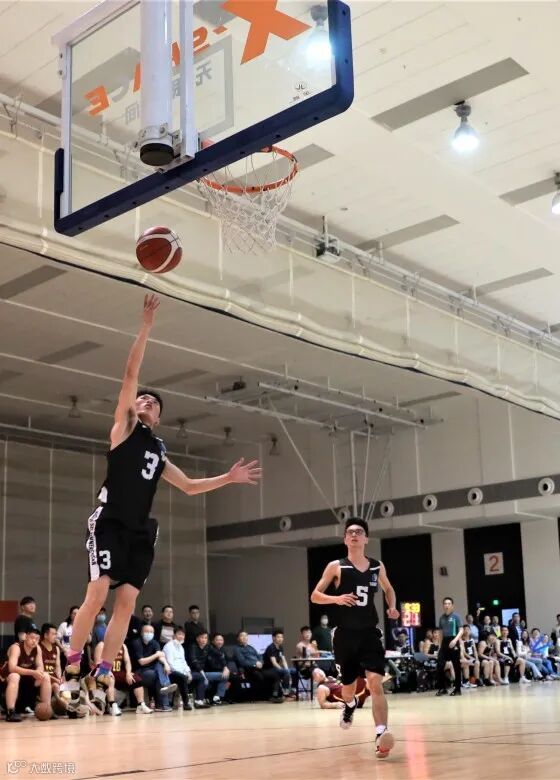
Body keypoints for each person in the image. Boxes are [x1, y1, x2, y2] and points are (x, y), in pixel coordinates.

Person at [62, 295, 262, 701]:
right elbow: (130, 373)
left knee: (127, 602)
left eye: (154, 403)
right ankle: (71, 665)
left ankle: (103, 672)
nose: (147, 401)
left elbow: (188, 486)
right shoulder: (124, 429)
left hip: (139, 530)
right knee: (97, 594)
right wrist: (146, 327)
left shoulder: (158, 452)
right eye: (143, 399)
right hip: (110, 520)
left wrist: (228, 478)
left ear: (159, 417)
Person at [310, 516, 399, 760]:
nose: (354, 535)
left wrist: (392, 606)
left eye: (359, 531)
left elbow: (389, 589)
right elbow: (315, 595)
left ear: (366, 538)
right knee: (348, 690)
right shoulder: (336, 566)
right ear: (345, 539)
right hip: (345, 636)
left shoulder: (377, 566)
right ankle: (349, 705)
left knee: (375, 682)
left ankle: (381, 735)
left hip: (370, 633)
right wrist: (336, 599)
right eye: (350, 532)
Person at [0, 627, 51, 722]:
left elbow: (40, 666)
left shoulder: (37, 649)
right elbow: (12, 668)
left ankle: (47, 709)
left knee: (45, 676)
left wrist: (38, 672)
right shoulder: (16, 647)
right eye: (32, 638)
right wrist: (33, 672)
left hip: (25, 679)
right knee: (15, 676)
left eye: (37, 639)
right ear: (26, 637)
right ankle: (10, 712)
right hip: (6, 679)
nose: (34, 641)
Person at [95, 640, 152, 714]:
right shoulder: (102, 644)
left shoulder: (123, 646)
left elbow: (127, 662)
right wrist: (107, 671)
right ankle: (112, 706)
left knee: (136, 679)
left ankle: (140, 705)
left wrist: (128, 673)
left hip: (118, 672)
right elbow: (98, 663)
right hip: (104, 672)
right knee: (110, 679)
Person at [131, 624, 177, 711]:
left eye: (151, 632)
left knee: (161, 666)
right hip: (139, 672)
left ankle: (163, 696)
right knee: (158, 675)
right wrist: (156, 655)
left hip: (152, 670)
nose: (149, 633)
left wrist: (166, 664)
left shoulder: (154, 642)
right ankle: (163, 701)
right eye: (147, 631)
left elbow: (161, 656)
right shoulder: (136, 643)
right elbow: (141, 662)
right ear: (141, 633)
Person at [436, 597, 463, 696]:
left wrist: (455, 640)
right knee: (440, 664)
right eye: (445, 604)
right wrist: (440, 646)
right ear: (443, 605)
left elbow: (461, 630)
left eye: (449, 603)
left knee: (456, 665)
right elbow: (440, 633)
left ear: (452, 605)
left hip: (454, 640)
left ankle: (457, 689)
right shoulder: (441, 618)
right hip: (444, 642)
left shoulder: (456, 616)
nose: (447, 605)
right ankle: (442, 688)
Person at [163, 626, 193, 710]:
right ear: (174, 635)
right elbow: (170, 663)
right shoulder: (168, 646)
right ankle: (186, 703)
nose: (181, 636)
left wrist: (188, 672)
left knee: (190, 676)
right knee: (183, 677)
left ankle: (181, 701)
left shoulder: (181, 647)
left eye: (183, 635)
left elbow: (183, 662)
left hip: (180, 672)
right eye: (179, 634)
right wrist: (183, 673)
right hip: (170, 672)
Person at [234, 631, 269, 699]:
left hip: (258, 667)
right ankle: (261, 696)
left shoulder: (251, 647)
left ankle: (273, 694)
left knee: (271, 672)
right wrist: (255, 664)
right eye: (242, 636)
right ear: (238, 638)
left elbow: (259, 656)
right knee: (259, 675)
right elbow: (242, 662)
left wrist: (261, 662)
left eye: (246, 636)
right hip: (248, 669)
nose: (244, 637)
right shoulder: (237, 649)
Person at [263, 630, 294, 702]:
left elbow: (284, 660)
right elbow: (274, 663)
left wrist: (287, 670)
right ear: (273, 638)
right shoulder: (271, 647)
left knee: (294, 671)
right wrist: (283, 671)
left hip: (275, 669)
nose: (280, 639)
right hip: (267, 669)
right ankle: (285, 694)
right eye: (278, 637)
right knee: (284, 672)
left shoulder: (280, 647)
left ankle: (293, 690)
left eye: (282, 637)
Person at [187, 631, 211, 708]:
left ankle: (202, 700)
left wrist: (226, 666)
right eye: (202, 637)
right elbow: (194, 661)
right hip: (190, 671)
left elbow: (217, 653)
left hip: (202, 672)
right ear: (197, 639)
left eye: (206, 638)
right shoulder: (193, 647)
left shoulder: (207, 647)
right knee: (202, 678)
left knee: (221, 676)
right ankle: (199, 700)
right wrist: (202, 673)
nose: (204, 640)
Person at [205, 633, 230, 705]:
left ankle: (218, 697)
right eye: (217, 640)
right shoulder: (210, 650)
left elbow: (227, 661)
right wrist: (224, 669)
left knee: (229, 675)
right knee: (225, 676)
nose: (219, 642)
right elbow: (212, 666)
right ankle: (217, 697)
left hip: (219, 672)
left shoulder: (223, 650)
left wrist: (226, 669)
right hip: (208, 672)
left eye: (221, 640)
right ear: (213, 641)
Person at [39, 623, 63, 698]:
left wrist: (59, 678)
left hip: (53, 678)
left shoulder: (56, 648)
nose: (55, 636)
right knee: (55, 686)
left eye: (56, 634)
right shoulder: (38, 647)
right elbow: (40, 671)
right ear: (45, 635)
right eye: (53, 634)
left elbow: (58, 666)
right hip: (42, 677)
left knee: (58, 686)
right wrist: (56, 680)